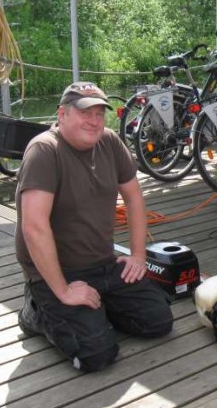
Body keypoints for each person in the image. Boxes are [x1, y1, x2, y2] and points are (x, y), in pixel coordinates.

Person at [15, 82, 173, 372]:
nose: (94, 121)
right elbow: (33, 227)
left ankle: (93, 312)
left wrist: (138, 256)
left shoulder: (110, 142)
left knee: (158, 321)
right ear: (61, 114)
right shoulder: (44, 151)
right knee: (97, 354)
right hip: (56, 274)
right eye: (85, 112)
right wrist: (62, 291)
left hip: (103, 263)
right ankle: (35, 313)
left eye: (100, 113)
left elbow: (135, 197)